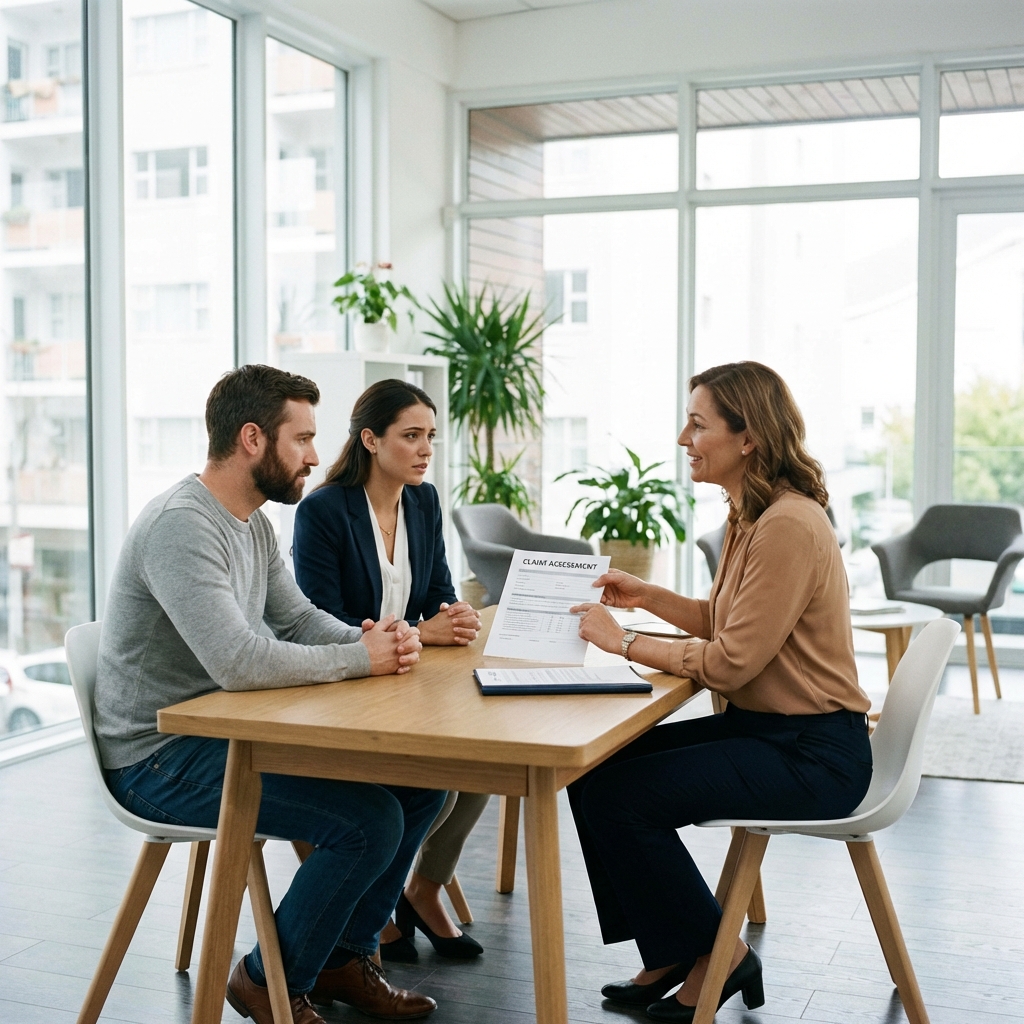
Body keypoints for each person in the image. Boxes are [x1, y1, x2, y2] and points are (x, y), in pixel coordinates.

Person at [94, 365, 448, 1024]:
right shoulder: (183, 525)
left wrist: (374, 641)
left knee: (425, 782)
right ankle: (265, 981)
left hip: (225, 730)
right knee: (366, 823)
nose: (317, 456)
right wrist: (356, 659)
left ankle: (345, 957)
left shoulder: (251, 521)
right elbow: (236, 660)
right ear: (253, 439)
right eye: (303, 439)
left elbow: (295, 618)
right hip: (158, 755)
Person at [567, 361, 873, 1022]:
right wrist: (648, 596)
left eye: (698, 424)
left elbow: (732, 662)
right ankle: (678, 952)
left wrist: (621, 641)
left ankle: (720, 955)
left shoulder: (788, 524)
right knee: (593, 772)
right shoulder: (752, 513)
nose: (684, 437)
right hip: (770, 731)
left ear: (748, 438)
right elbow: (727, 621)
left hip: (815, 754)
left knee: (621, 797)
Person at [292, 378, 487, 961]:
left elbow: (436, 593)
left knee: (477, 765)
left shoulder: (423, 501)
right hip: (344, 688)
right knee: (431, 781)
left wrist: (453, 617)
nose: (425, 449)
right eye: (411, 436)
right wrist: (422, 632)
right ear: (371, 440)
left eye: (431, 436)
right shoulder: (323, 511)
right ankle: (369, 919)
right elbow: (322, 621)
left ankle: (419, 892)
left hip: (404, 677)